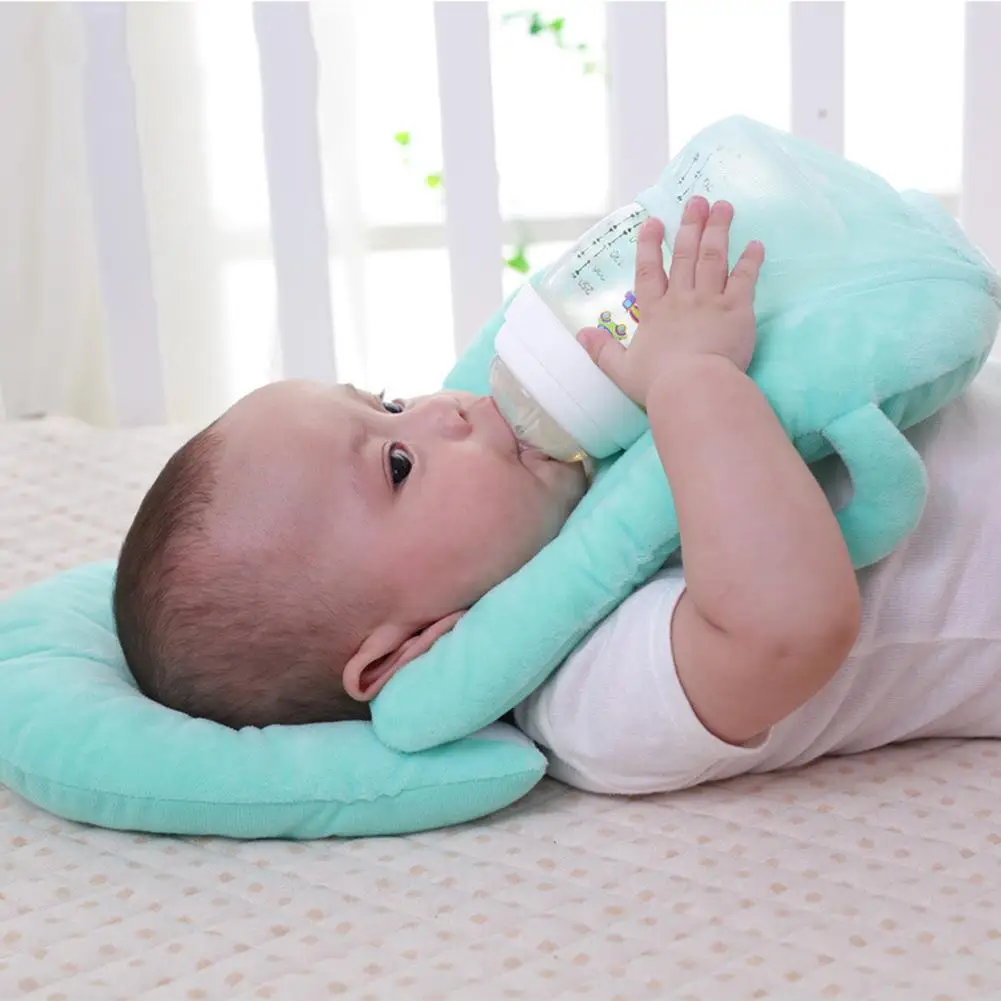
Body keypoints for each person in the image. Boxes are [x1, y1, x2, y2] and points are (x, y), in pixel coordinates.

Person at [115, 196, 1001, 795]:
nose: (441, 407)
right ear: (401, 652)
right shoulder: (587, 700)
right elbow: (784, 628)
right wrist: (691, 378)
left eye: (389, 401)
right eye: (397, 463)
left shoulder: (588, 476)